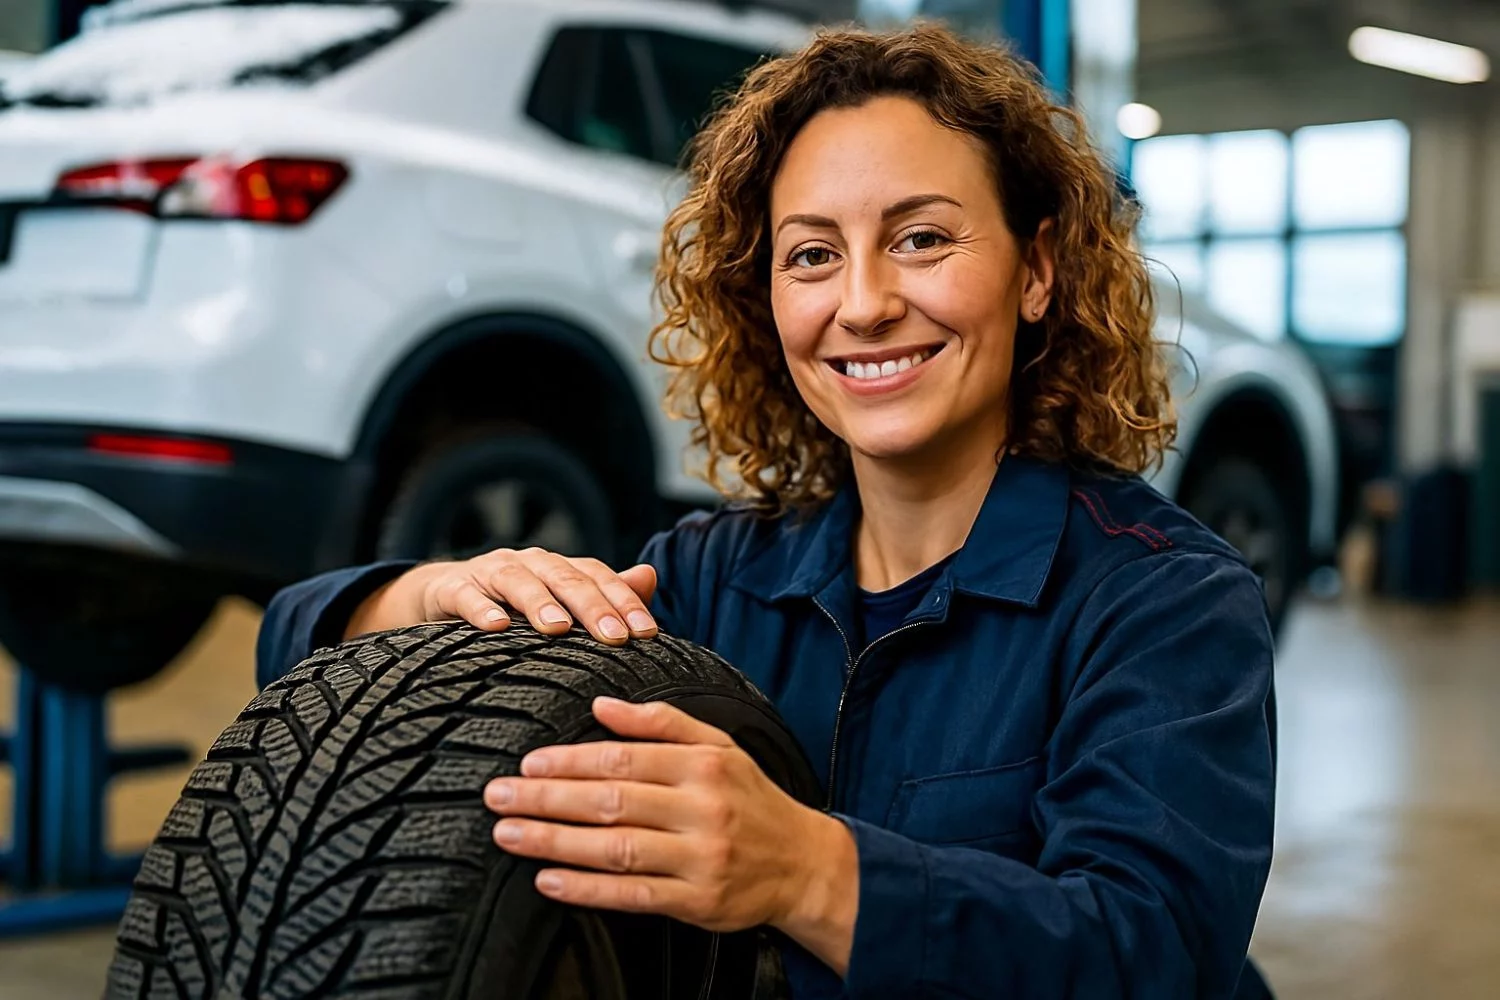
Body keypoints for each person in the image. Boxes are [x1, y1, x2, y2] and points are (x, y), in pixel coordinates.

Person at [256, 22, 1277, 999]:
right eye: (812, 255)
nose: (864, 302)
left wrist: (809, 872)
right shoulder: (709, 579)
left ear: (1038, 271)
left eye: (921, 238)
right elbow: (305, 673)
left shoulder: (1165, 602)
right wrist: (436, 592)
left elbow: (1153, 957)